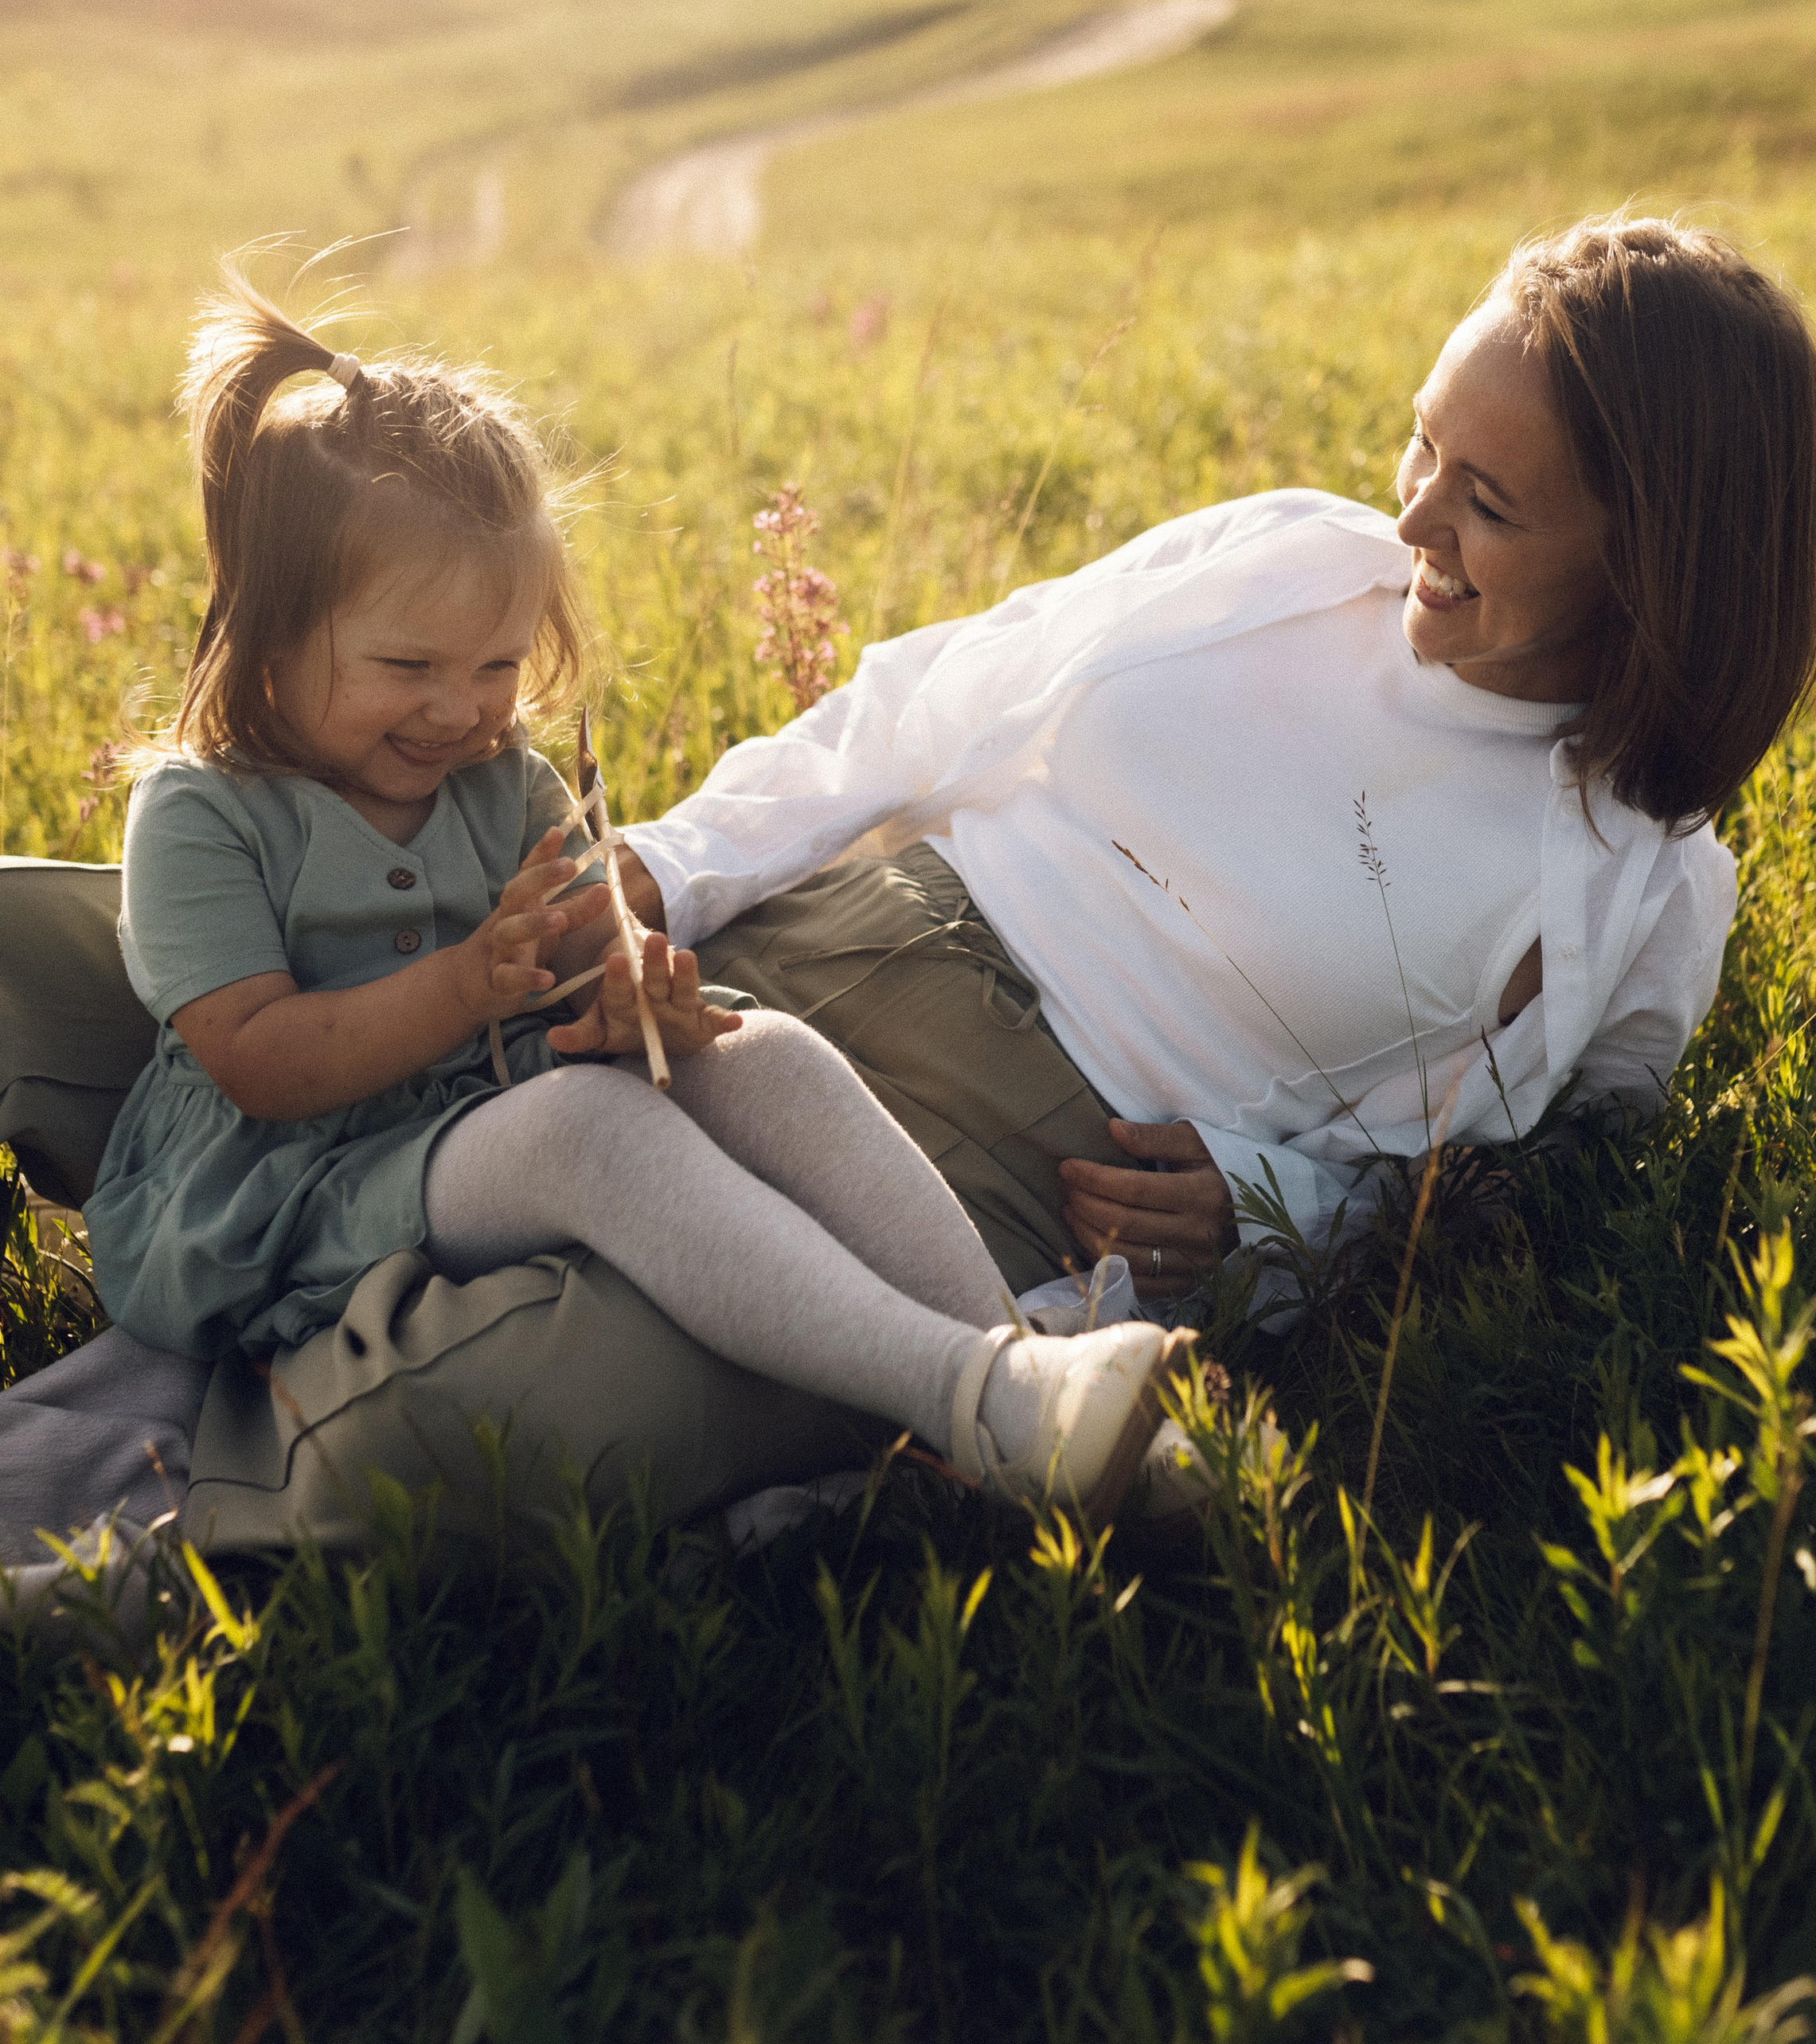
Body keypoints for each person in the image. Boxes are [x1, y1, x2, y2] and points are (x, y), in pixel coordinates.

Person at [80, 275, 1193, 1526]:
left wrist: (632, 1004)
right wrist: (462, 988)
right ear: (270, 635)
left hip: (467, 1124)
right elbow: (261, 1063)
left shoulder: (506, 787)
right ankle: (971, 1397)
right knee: (584, 1135)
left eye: (498, 666)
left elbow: (584, 974)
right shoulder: (202, 813)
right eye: (409, 667)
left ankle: (1028, 1384)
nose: (461, 708)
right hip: (288, 1188)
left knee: (761, 1049)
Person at [617, 216, 1816, 1296]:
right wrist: (676, 865)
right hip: (847, 928)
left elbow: (1532, 1192)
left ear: (1653, 567)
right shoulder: (1287, 555)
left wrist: (1268, 1209)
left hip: (1034, 1146)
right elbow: (932, 696)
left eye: (1490, 503)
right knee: (467, 1114)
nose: (1411, 519)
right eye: (1423, 445)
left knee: (542, 1380)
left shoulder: (1636, 886)